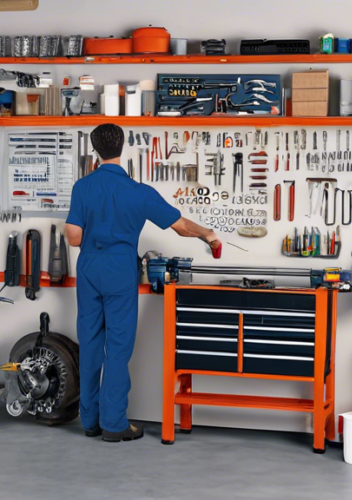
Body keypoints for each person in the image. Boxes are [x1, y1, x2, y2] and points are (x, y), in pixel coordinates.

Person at [65, 123, 220, 443]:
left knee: (91, 343)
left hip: (90, 266)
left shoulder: (83, 186)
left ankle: (90, 420)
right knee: (118, 348)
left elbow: (74, 236)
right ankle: (114, 423)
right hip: (120, 268)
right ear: (122, 149)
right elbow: (179, 226)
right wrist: (207, 234)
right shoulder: (139, 192)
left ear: (95, 151)